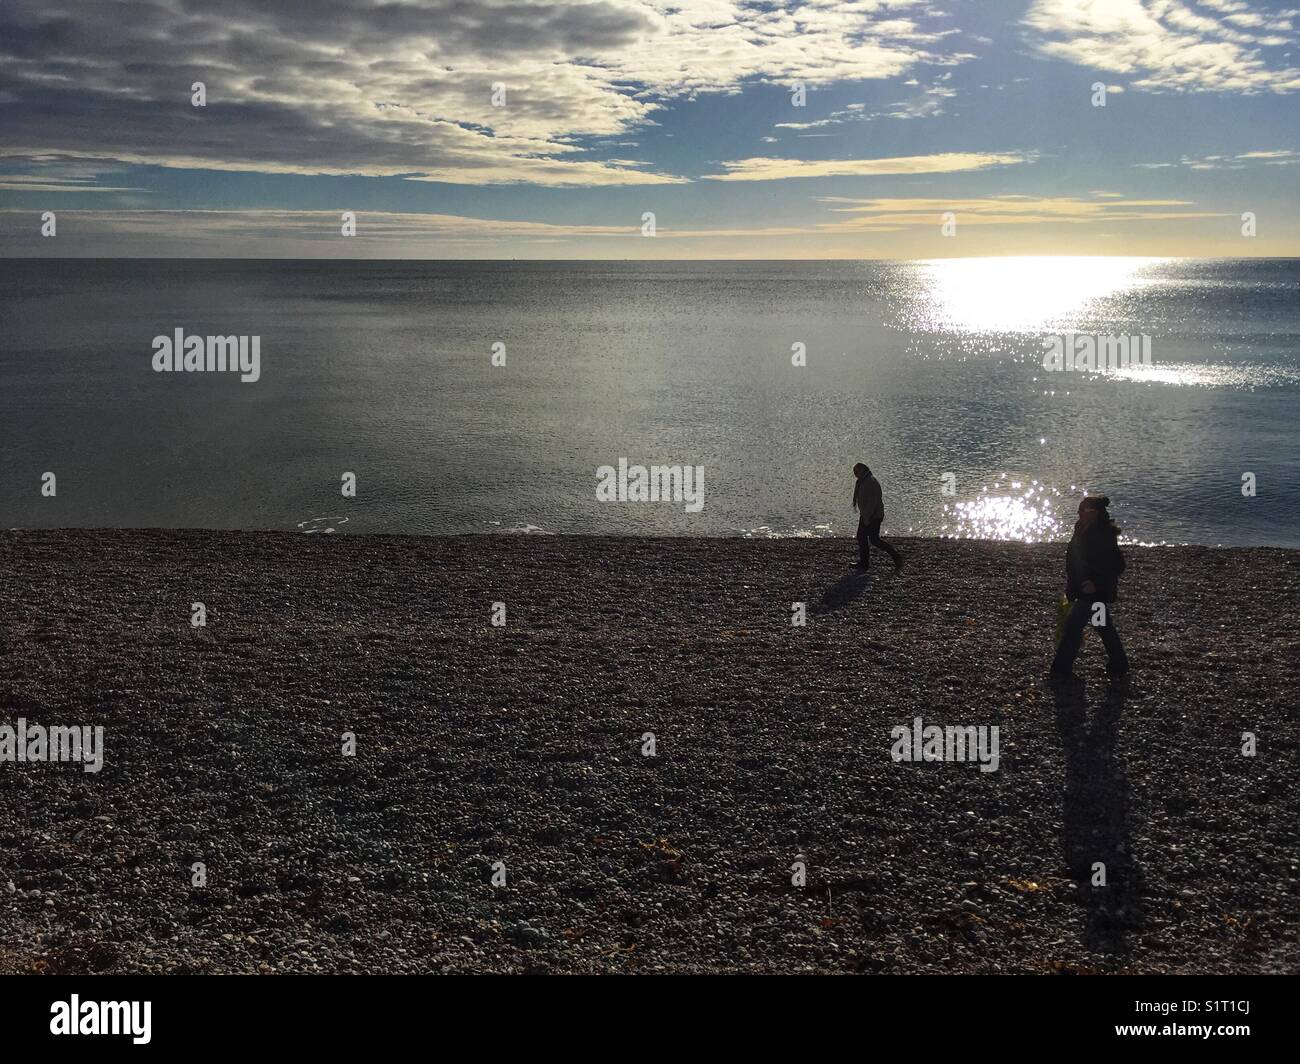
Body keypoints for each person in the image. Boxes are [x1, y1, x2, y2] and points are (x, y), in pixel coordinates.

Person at [1050, 495, 1129, 681]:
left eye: (1086, 511)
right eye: (1081, 511)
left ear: (1097, 513)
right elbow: (1076, 558)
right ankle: (1119, 663)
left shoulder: (1103, 534)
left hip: (1092, 591)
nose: (1082, 515)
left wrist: (1095, 583)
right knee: (1102, 625)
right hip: (1084, 588)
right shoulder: (1081, 529)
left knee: (1073, 627)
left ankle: (1061, 668)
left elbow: (1115, 565)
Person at [852, 462, 903, 572]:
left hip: (873, 515)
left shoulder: (870, 482)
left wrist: (867, 517)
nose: (855, 474)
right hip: (868, 514)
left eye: (857, 472)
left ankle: (896, 557)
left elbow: (872, 502)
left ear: (863, 471)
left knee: (872, 539)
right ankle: (864, 563)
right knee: (864, 537)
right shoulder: (864, 481)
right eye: (854, 472)